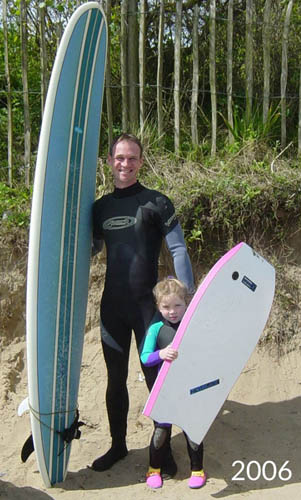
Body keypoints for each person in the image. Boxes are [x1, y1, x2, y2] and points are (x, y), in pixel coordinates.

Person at [90, 133, 195, 473]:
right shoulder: (100, 208)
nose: (125, 164)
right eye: (119, 157)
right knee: (115, 379)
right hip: (112, 308)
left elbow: (177, 249)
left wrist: (186, 299)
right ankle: (118, 446)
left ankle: (162, 452)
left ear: (141, 161)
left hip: (147, 311)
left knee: (156, 379)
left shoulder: (156, 202)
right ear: (109, 161)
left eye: (132, 158)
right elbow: (89, 251)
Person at [140, 278, 206, 489]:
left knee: (192, 430)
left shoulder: (192, 326)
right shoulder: (156, 329)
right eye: (166, 307)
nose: (172, 311)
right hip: (166, 390)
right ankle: (154, 470)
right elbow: (145, 357)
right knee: (161, 431)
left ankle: (198, 470)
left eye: (178, 305)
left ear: (186, 303)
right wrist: (162, 354)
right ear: (158, 307)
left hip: (189, 389)